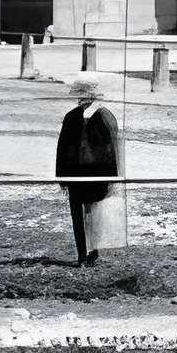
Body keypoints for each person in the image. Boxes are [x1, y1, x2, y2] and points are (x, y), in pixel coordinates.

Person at [55, 73, 117, 265]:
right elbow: (111, 150)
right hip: (98, 176)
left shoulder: (71, 117)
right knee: (94, 214)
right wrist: (112, 178)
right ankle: (94, 250)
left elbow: (62, 149)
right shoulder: (106, 116)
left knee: (78, 216)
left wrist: (62, 179)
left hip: (76, 176)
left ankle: (82, 255)